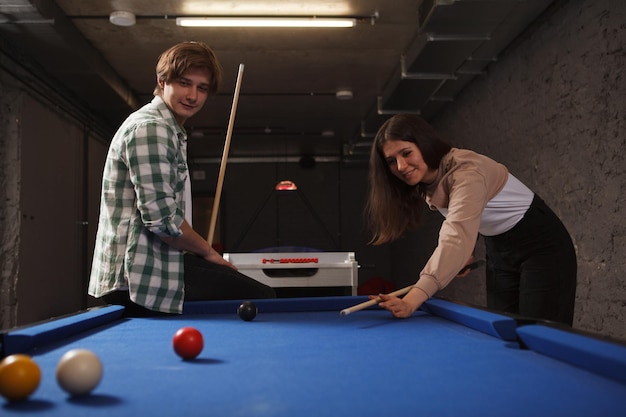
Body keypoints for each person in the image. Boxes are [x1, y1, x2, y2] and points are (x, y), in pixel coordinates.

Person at [89, 41, 275, 316]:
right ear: (162, 82)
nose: (193, 95)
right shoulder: (152, 129)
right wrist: (209, 252)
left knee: (251, 293)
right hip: (138, 277)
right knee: (263, 297)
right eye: (185, 83)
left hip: (153, 267)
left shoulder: (169, 130)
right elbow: (162, 219)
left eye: (202, 88)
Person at [366, 114, 577, 325]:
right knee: (505, 330)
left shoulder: (467, 171)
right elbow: (468, 213)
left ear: (424, 144)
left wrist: (413, 299)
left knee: (540, 333)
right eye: (392, 161)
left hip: (542, 245)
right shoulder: (425, 180)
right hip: (499, 249)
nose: (401, 166)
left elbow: (456, 234)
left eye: (406, 153)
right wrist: (468, 251)